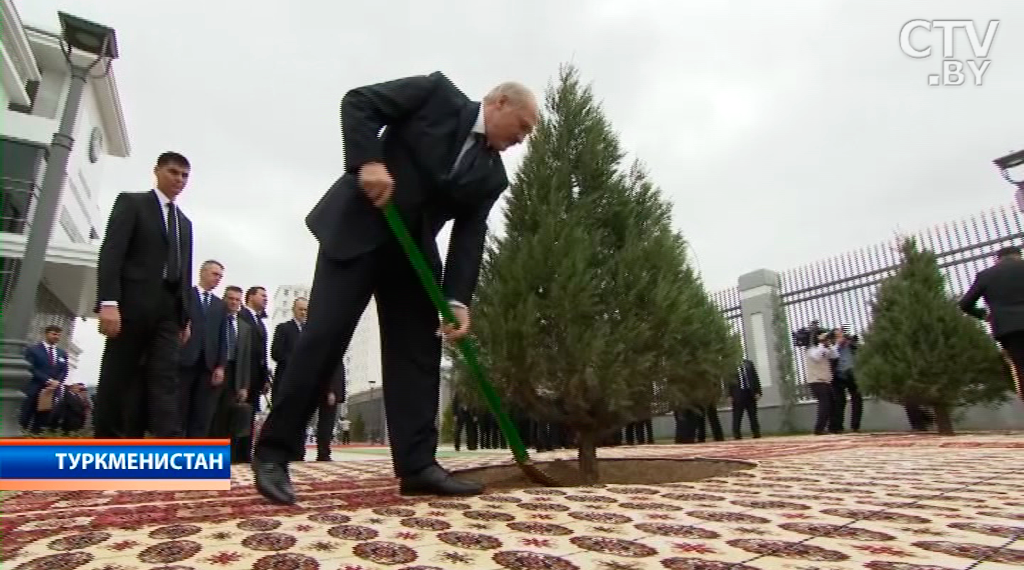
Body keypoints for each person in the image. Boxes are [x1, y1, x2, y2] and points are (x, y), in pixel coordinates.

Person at [253, 71, 539, 505]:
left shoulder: (491, 176)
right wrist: (369, 162)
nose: (523, 138)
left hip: (412, 254)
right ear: (499, 102)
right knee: (325, 338)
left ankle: (418, 466)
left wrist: (457, 299)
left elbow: (469, 236)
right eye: (522, 127)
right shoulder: (436, 95)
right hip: (362, 227)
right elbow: (359, 102)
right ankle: (273, 454)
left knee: (417, 356)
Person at [94, 152, 194, 438]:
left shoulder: (184, 223)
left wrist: (184, 317)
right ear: (157, 171)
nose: (179, 179)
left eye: (185, 175)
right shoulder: (132, 203)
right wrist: (109, 302)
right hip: (130, 306)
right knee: (118, 377)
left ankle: (169, 446)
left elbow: (184, 272)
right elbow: (112, 254)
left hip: (168, 311)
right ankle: (106, 445)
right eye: (174, 172)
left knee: (165, 378)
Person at [959, 245, 1024, 401]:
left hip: (1009, 328)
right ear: (1019, 255)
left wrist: (984, 315)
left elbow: (965, 304)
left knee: (1021, 367)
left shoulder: (986, 275)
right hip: (1010, 327)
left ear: (997, 259)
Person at [178, 260, 227, 437]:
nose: (218, 279)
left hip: (208, 366)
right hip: (184, 361)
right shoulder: (185, 295)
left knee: (201, 415)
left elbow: (223, 337)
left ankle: (196, 455)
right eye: (215, 274)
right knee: (179, 410)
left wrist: (221, 366)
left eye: (220, 276)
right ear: (202, 272)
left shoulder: (220, 305)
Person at [209, 286, 255, 462]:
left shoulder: (245, 327)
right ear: (224, 299)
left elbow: (246, 359)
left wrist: (244, 385)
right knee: (211, 414)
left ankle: (227, 456)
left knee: (229, 416)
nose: (234, 302)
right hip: (215, 370)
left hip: (235, 375)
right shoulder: (215, 319)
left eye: (237, 300)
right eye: (230, 298)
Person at [20, 325, 69, 432]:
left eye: (59, 335)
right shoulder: (33, 350)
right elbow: (31, 367)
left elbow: (64, 370)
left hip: (50, 393)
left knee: (42, 423)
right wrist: (48, 380)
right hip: (34, 390)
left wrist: (58, 382)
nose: (56, 337)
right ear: (46, 334)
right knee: (24, 419)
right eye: (54, 334)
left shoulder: (62, 353)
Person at [270, 297, 307, 397]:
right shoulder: (283, 328)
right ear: (293, 310)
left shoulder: (310, 332)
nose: (303, 312)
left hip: (304, 383)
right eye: (300, 309)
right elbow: (276, 353)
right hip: (285, 380)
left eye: (305, 310)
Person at [806, 333, 839, 435]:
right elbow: (817, 357)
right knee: (824, 404)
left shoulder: (824, 349)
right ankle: (819, 429)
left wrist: (829, 345)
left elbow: (835, 355)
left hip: (826, 381)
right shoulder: (811, 350)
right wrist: (821, 344)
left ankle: (832, 427)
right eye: (824, 339)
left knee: (832, 403)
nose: (826, 340)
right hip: (816, 381)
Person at [730, 358, 761, 439]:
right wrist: (729, 395)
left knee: (753, 415)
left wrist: (758, 391)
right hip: (737, 394)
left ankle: (756, 432)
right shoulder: (730, 365)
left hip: (750, 393)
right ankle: (736, 434)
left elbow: (755, 377)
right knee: (737, 415)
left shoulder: (749, 363)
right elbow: (728, 381)